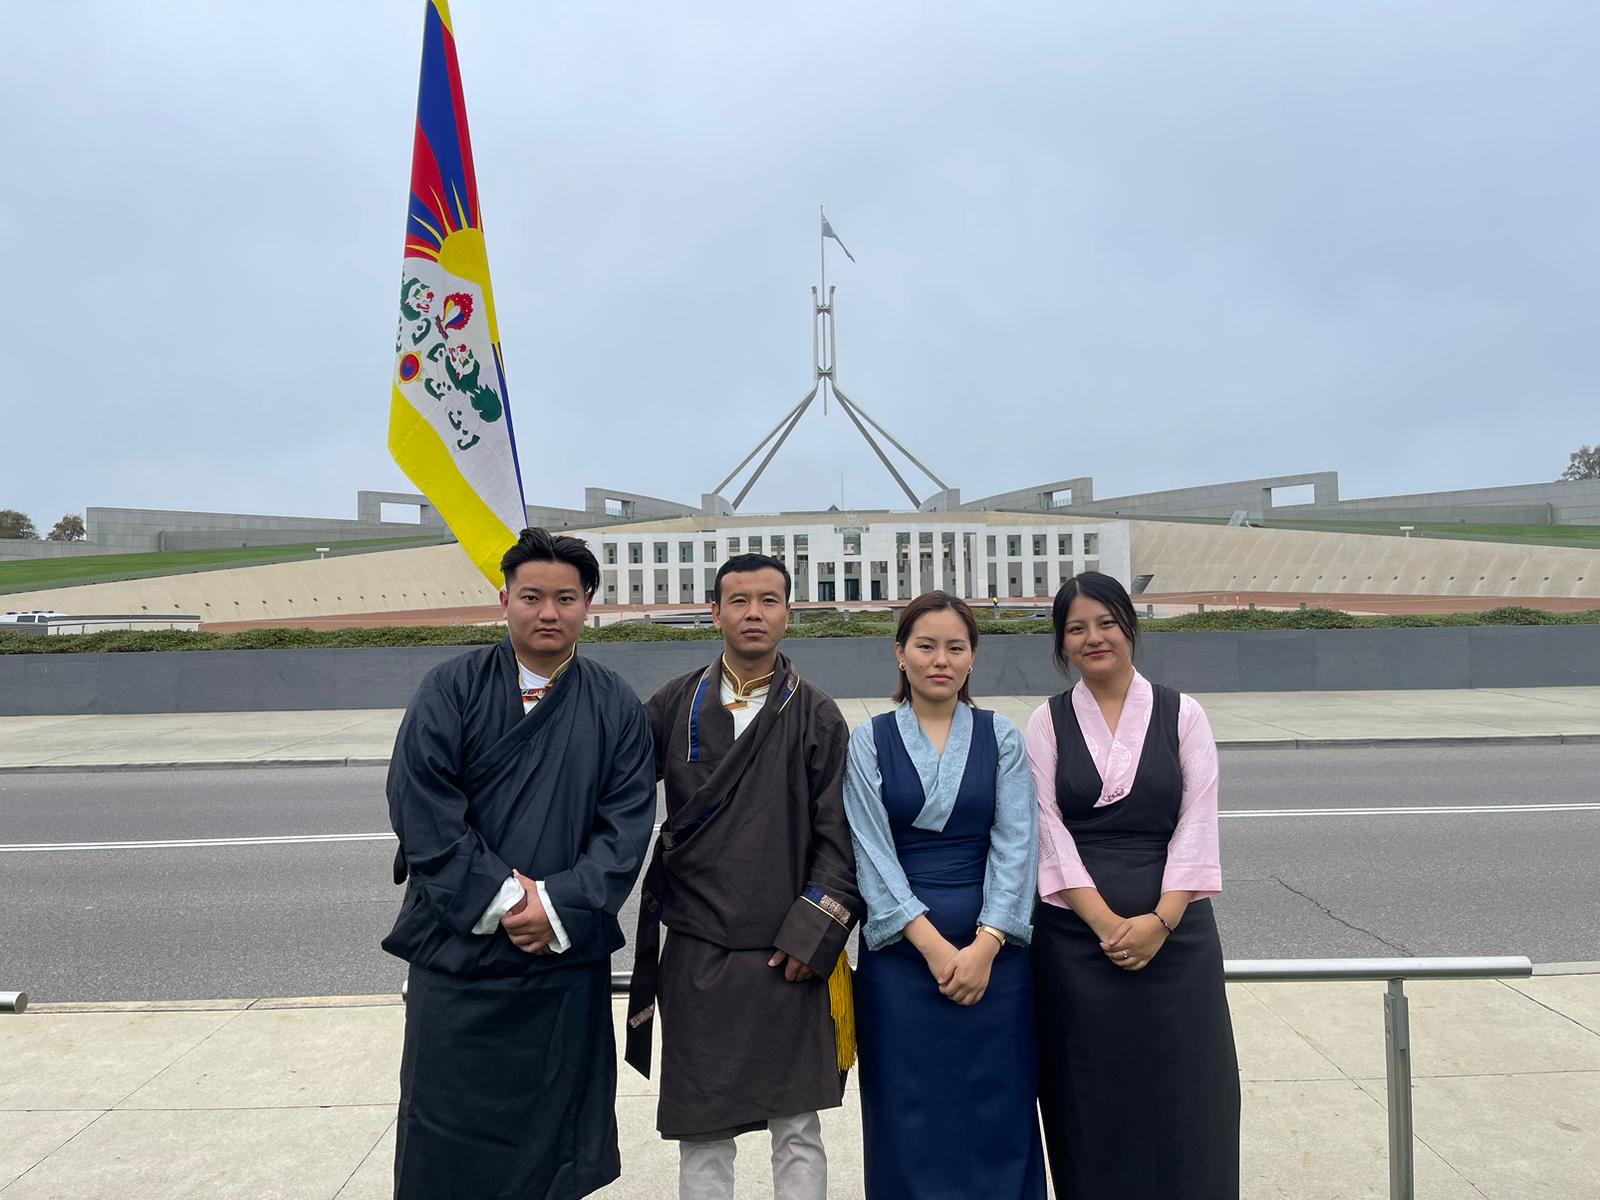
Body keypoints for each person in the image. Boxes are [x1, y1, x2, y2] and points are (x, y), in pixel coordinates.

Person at [383, 528, 657, 1200]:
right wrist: (507, 902)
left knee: (554, 1142)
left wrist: (556, 905)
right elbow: (424, 808)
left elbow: (626, 826)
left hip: (560, 960)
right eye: (531, 596)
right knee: (446, 1135)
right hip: (460, 952)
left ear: (589, 604)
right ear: (503, 599)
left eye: (566, 597)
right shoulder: (451, 687)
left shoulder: (615, 703)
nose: (548, 612)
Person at [625, 552, 861, 1200]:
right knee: (703, 1132)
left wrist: (812, 938)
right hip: (699, 951)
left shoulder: (817, 715)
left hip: (788, 954)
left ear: (789, 613)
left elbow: (840, 839)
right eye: (738, 600)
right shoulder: (674, 704)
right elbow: (609, 788)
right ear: (715, 612)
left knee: (798, 1127)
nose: (753, 613)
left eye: (767, 600)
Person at [1026, 570, 1240, 1198]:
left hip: (1177, 940)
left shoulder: (1183, 714)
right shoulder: (1047, 722)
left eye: (1106, 622)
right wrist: (1106, 924)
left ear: (1130, 626)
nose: (1094, 638)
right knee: (1090, 1098)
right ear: (1062, 644)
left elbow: (1198, 820)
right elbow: (1045, 830)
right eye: (1076, 628)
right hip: (1076, 943)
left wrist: (1160, 921)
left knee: (1190, 1096)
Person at [843, 591, 1046, 1199]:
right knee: (910, 1117)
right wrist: (934, 948)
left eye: (955, 647)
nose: (940, 659)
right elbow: (870, 853)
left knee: (999, 1113)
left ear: (973, 658)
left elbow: (1018, 846)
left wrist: (985, 946)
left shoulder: (1002, 737)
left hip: (997, 961)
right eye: (925, 645)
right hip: (902, 964)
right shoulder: (869, 740)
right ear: (899, 655)